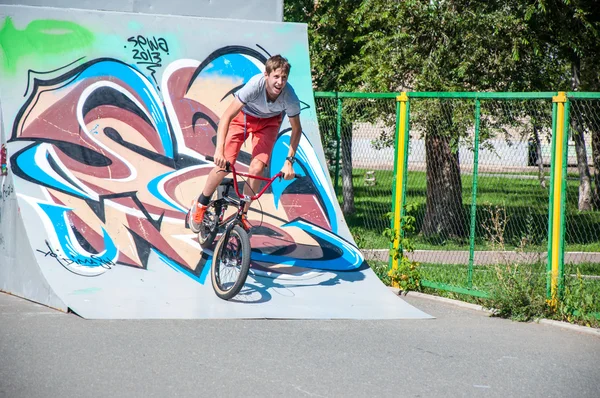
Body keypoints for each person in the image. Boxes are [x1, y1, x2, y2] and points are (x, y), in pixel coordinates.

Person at [189, 54, 303, 230]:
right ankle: (201, 203)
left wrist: (289, 162)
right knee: (224, 165)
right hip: (244, 117)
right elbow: (227, 116)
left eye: (284, 78)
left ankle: (243, 213)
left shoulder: (290, 96)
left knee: (257, 168)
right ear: (266, 75)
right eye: (276, 77)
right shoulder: (254, 86)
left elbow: (297, 129)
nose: (280, 82)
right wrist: (219, 151)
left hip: (269, 123)